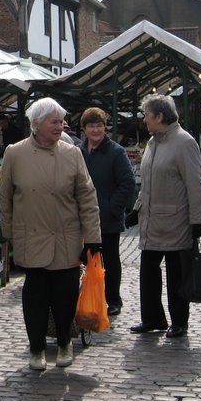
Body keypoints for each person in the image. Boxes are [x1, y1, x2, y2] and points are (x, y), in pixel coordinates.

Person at [0, 97, 101, 371]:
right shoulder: (15, 153)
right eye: (54, 121)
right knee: (36, 297)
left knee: (65, 295)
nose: (61, 126)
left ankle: (66, 342)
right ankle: (36, 349)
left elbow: (87, 198)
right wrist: (8, 233)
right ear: (37, 124)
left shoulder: (72, 153)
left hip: (65, 237)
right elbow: (5, 196)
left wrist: (93, 239)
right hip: (31, 236)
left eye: (61, 121)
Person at [128, 93, 201, 339]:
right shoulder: (153, 142)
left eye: (147, 116)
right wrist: (137, 208)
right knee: (148, 273)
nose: (144, 121)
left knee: (177, 275)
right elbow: (149, 182)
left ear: (160, 116)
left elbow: (196, 185)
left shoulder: (184, 142)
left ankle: (179, 322)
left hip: (176, 222)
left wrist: (199, 221)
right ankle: (153, 318)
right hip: (151, 221)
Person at [78, 107, 135, 317]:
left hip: (107, 218)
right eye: (91, 126)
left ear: (105, 127)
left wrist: (111, 207)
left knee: (110, 260)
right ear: (84, 129)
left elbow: (127, 183)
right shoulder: (79, 151)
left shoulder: (116, 152)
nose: (96, 130)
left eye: (99, 126)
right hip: (83, 217)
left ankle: (113, 299)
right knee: (86, 258)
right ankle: (89, 295)